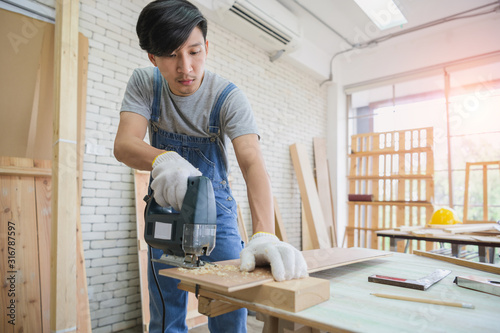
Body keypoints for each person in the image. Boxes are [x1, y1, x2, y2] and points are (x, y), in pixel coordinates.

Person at [114, 0, 308, 332]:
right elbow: (125, 144)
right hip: (166, 210)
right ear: (153, 57)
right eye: (171, 55)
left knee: (231, 308)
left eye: (194, 52)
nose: (185, 68)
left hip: (217, 213)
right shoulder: (146, 84)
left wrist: (263, 234)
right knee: (166, 311)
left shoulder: (228, 97)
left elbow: (251, 161)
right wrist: (165, 159)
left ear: (207, 46)